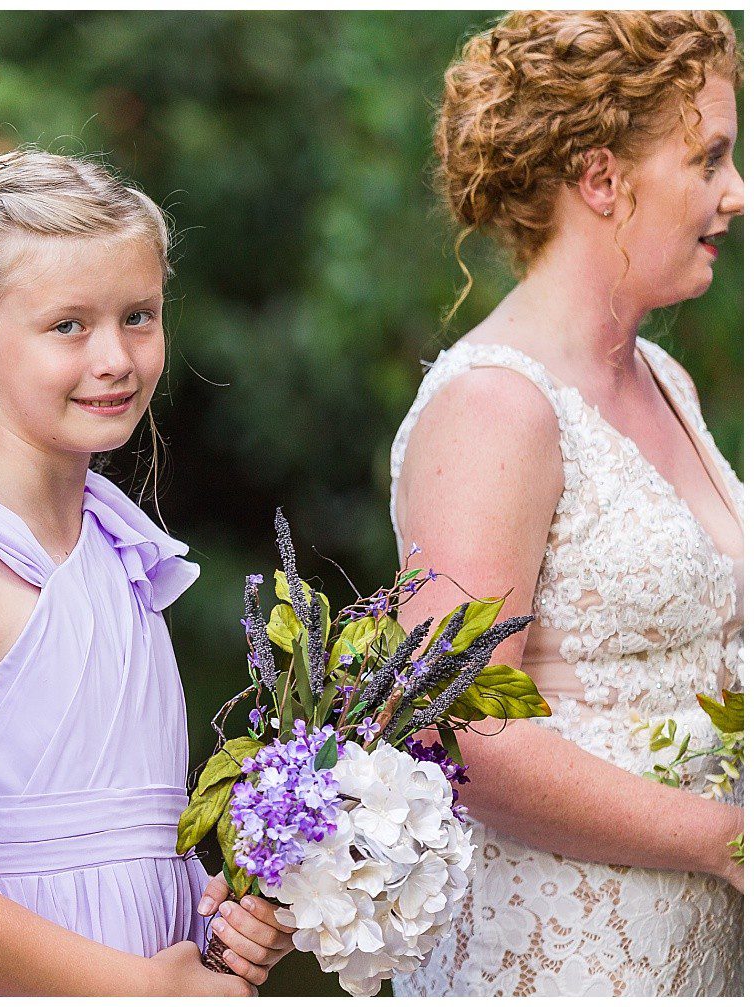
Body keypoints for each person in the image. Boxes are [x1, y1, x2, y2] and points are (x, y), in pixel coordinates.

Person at [0, 149, 295, 996]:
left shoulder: (122, 550)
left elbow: (132, 846)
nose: (116, 357)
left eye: (140, 317)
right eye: (69, 325)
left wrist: (226, 921)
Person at [389, 10, 742, 996]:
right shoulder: (494, 405)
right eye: (709, 157)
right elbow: (458, 726)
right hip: (559, 958)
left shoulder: (663, 374)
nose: (736, 193)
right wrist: (731, 837)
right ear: (601, 179)